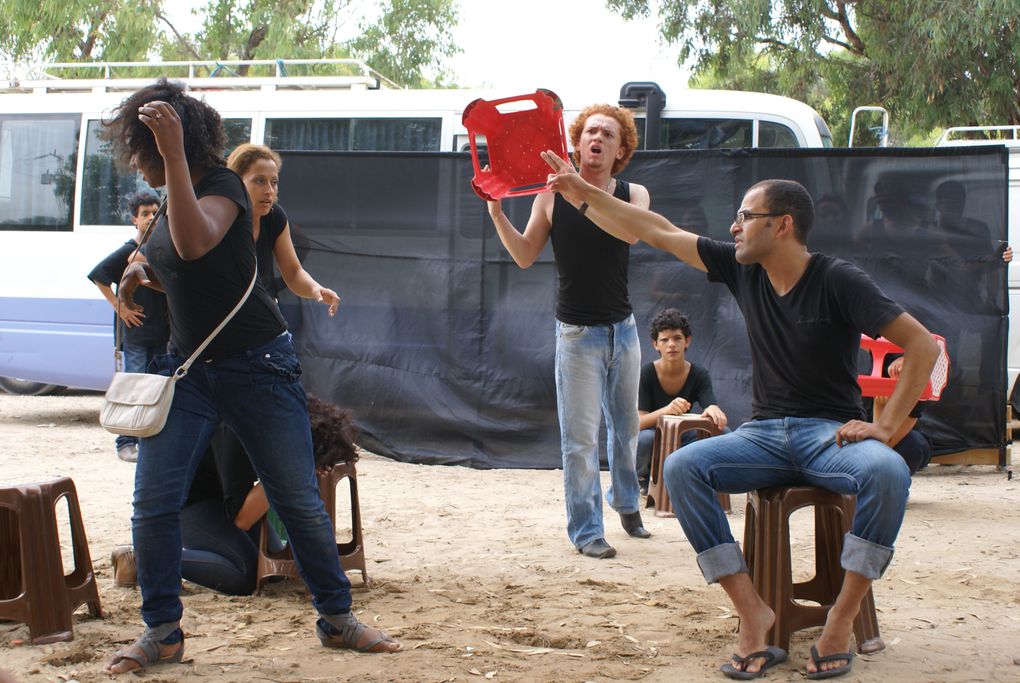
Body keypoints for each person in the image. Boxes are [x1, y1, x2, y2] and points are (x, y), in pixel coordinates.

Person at [541, 155, 938, 680]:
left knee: (888, 471)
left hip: (829, 435)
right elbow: (656, 231)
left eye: (745, 216)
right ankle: (753, 611)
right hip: (765, 434)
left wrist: (885, 429)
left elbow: (921, 346)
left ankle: (840, 619)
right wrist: (581, 194)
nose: (734, 226)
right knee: (683, 467)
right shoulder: (741, 268)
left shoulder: (838, 279)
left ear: (782, 224)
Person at [103, 78, 398, 674]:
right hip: (189, 370)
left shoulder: (221, 186)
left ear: (170, 141)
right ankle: (162, 631)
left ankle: (337, 619)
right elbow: (193, 273)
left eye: (142, 147)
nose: (137, 160)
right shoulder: (170, 199)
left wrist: (172, 153)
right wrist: (144, 278)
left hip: (259, 367)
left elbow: (193, 244)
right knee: (152, 504)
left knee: (297, 498)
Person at [484, 104, 652, 559]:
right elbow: (523, 255)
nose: (597, 138)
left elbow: (627, 231)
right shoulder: (547, 197)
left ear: (620, 151)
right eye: (590, 131)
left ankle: (626, 503)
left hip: (624, 331)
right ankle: (586, 530)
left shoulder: (634, 194)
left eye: (608, 135)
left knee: (625, 428)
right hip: (578, 336)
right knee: (579, 440)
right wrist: (497, 212)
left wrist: (576, 191)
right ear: (576, 142)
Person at [87, 190, 170, 463]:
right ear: (134, 219)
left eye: (154, 213)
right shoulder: (127, 251)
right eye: (144, 214)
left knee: (156, 388)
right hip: (136, 335)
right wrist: (119, 306)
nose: (150, 218)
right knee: (132, 386)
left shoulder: (162, 249)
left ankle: (148, 439)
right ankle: (125, 441)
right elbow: (98, 275)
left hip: (162, 333)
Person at [226, 143, 340, 311]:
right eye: (259, 181)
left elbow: (293, 273)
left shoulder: (275, 216)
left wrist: (316, 290)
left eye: (274, 182)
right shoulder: (222, 218)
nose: (269, 190)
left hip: (262, 316)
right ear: (237, 181)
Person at [636, 308, 727, 493]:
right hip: (655, 438)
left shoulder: (699, 374)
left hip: (681, 435)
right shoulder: (646, 373)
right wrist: (667, 410)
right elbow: (638, 423)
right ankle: (644, 478)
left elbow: (711, 405)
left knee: (724, 433)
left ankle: (711, 480)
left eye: (677, 338)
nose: (671, 344)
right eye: (664, 339)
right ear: (655, 344)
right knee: (644, 439)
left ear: (687, 341)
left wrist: (714, 411)